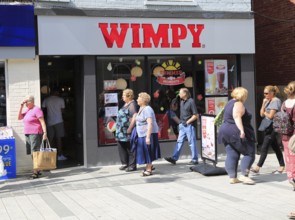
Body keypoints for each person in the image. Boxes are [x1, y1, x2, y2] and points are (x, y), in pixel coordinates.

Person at [218, 87, 256, 185]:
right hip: (235, 131)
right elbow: (237, 116)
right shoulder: (238, 103)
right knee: (249, 153)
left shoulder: (229, 102)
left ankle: (232, 177)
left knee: (232, 153)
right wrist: (242, 131)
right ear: (244, 95)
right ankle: (244, 175)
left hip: (225, 130)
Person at [251, 85, 285, 174]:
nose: (265, 95)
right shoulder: (267, 101)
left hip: (273, 127)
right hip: (267, 127)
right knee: (275, 147)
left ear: (272, 93)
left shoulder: (276, 101)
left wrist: (265, 112)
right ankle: (282, 165)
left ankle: (258, 166)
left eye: (266, 93)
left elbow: (270, 116)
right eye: (264, 93)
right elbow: (261, 114)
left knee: (264, 146)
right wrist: (263, 103)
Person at [165, 88, 199, 165]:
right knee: (179, 141)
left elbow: (195, 115)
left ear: (185, 94)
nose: (179, 94)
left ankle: (195, 160)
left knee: (191, 142)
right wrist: (181, 123)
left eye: (180, 93)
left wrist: (188, 122)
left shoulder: (191, 101)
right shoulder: (181, 102)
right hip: (182, 125)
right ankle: (174, 158)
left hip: (189, 125)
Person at [18, 95, 47, 179]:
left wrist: (45, 132)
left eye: (27, 102)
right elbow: (19, 117)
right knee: (32, 152)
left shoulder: (37, 109)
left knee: (34, 152)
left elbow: (42, 121)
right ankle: (37, 169)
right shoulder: (28, 110)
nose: (26, 104)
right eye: (25, 102)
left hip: (35, 133)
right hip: (27, 133)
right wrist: (21, 106)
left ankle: (35, 171)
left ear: (32, 102)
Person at [135, 92, 161, 176]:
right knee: (145, 151)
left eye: (138, 98)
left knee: (147, 150)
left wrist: (148, 137)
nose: (137, 99)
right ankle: (149, 165)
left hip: (148, 134)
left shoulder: (147, 109)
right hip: (142, 134)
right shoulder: (141, 108)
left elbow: (150, 123)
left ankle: (149, 169)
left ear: (143, 100)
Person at [115, 89, 137, 172]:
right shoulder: (126, 103)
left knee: (130, 147)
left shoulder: (132, 104)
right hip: (121, 130)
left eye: (123, 95)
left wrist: (130, 128)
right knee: (121, 146)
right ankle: (125, 163)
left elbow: (134, 116)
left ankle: (132, 165)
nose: (122, 97)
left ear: (128, 96)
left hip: (126, 130)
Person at [42, 88, 66, 161]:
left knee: (50, 139)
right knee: (59, 138)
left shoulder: (46, 100)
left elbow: (43, 109)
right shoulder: (60, 100)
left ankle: (51, 155)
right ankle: (59, 155)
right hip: (58, 121)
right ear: (57, 93)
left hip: (49, 121)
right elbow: (63, 110)